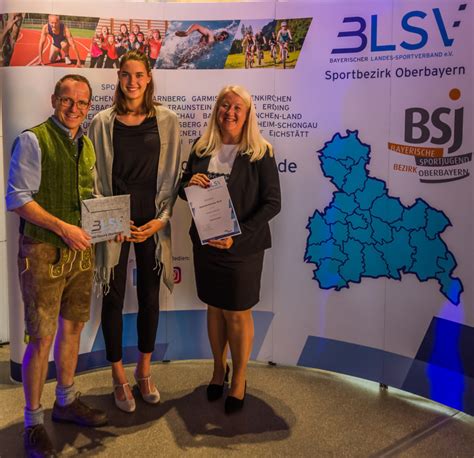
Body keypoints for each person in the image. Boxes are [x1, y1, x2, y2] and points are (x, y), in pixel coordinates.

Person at [5, 74, 108, 457]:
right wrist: (63, 227)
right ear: (54, 99)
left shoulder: (86, 144)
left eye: (82, 103)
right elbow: (18, 199)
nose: (75, 108)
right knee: (41, 337)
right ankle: (33, 422)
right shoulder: (34, 140)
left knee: (73, 328)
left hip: (80, 251)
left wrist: (107, 225)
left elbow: (89, 195)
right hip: (43, 251)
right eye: (68, 100)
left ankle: (65, 401)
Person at [88, 50, 181, 413]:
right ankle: (118, 376)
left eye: (139, 75)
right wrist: (111, 221)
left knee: (149, 297)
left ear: (148, 78)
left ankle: (143, 371)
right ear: (119, 78)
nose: (132, 82)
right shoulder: (101, 122)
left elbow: (173, 177)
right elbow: (95, 178)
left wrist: (162, 219)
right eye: (126, 75)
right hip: (115, 224)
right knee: (111, 298)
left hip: (151, 223)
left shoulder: (168, 121)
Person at [179, 85, 281, 414]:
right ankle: (217, 369)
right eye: (225, 105)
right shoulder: (201, 147)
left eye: (237, 107)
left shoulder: (260, 151)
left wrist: (238, 235)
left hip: (243, 248)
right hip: (207, 245)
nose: (230, 112)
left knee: (237, 312)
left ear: (248, 114)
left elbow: (272, 203)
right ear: (216, 111)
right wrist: (188, 184)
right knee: (215, 308)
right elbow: (183, 190)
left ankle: (239, 379)